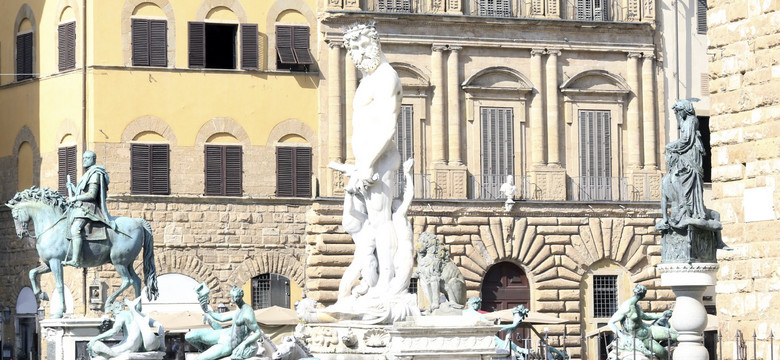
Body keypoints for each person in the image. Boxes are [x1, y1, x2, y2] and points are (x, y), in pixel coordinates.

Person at [342, 21, 403, 294]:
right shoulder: (368, 79)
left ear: (376, 44)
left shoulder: (386, 76)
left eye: (364, 44)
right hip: (364, 163)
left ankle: (386, 282)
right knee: (354, 222)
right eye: (354, 47)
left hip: (379, 161)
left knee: (381, 221)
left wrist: (367, 164)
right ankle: (371, 275)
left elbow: (389, 126)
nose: (359, 51)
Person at [64, 150, 114, 267]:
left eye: (87, 158)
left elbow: (91, 195)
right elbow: (83, 191)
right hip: (80, 208)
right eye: (83, 158)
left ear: (93, 159)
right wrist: (73, 188)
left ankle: (76, 259)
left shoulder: (95, 173)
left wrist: (75, 197)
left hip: (88, 209)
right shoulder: (87, 174)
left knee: (76, 228)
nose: (84, 160)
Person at [185, 286, 263, 360]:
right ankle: (205, 351)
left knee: (199, 359)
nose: (235, 300)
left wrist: (244, 344)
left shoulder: (247, 313)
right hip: (222, 333)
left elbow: (258, 332)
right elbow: (221, 318)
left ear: (241, 296)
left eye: (237, 297)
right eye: (234, 297)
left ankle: (208, 354)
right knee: (189, 336)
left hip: (228, 344)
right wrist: (208, 311)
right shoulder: (238, 309)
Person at [608, 285, 677, 360]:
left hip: (649, 330)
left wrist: (660, 316)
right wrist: (622, 337)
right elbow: (610, 323)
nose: (644, 296)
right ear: (642, 294)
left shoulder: (636, 305)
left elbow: (645, 316)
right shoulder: (626, 306)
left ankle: (665, 344)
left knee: (675, 336)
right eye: (644, 294)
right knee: (663, 353)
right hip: (642, 339)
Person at [88, 297, 165, 359]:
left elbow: (114, 331)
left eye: (112, 312)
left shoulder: (121, 314)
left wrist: (95, 338)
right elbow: (159, 325)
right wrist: (162, 345)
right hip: (135, 346)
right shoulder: (137, 314)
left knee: (97, 352)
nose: (113, 315)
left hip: (128, 345)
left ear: (118, 308)